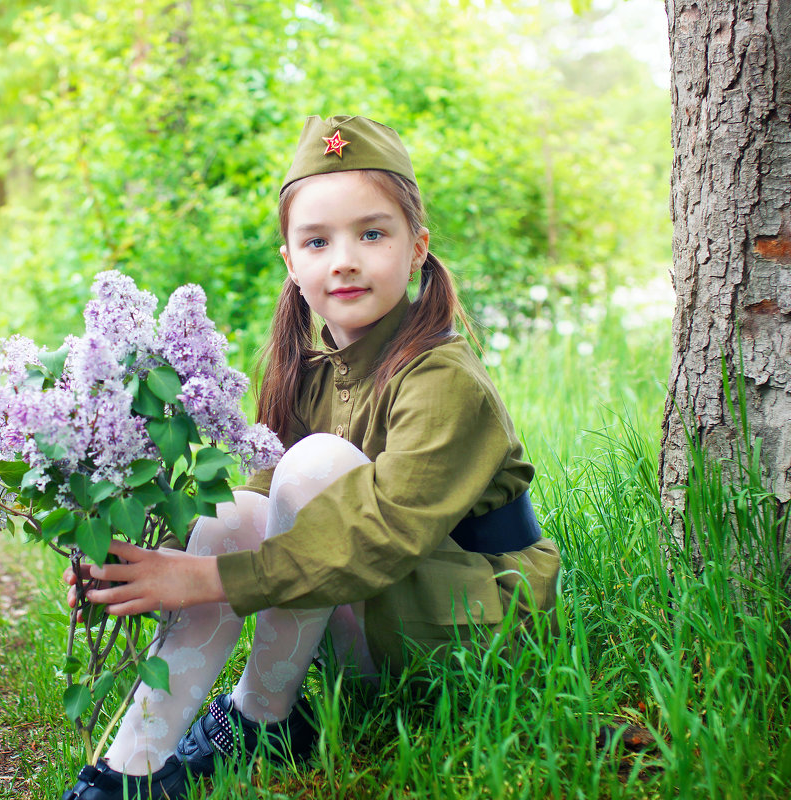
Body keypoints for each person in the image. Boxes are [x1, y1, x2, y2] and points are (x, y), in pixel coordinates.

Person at [60, 114, 562, 800]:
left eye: (372, 234)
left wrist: (206, 580)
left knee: (318, 463)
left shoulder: (444, 378)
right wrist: (143, 568)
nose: (345, 259)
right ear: (291, 263)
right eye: (318, 241)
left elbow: (379, 537)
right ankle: (126, 775)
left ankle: (260, 716)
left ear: (417, 248)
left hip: (468, 633)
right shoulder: (307, 367)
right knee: (237, 508)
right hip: (369, 615)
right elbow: (257, 517)